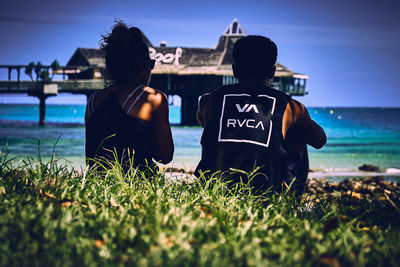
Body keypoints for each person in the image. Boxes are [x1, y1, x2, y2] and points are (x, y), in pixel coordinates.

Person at [195, 35, 326, 194]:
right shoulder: (290, 107)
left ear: (235, 70)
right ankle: (289, 201)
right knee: (298, 133)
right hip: (263, 193)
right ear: (272, 72)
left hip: (212, 192)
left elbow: (206, 124)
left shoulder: (208, 101)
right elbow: (319, 140)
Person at [85, 21, 174, 171]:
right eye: (150, 65)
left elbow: (91, 157)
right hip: (139, 187)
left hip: (97, 184)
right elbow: (165, 156)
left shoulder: (94, 100)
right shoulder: (154, 98)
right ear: (143, 66)